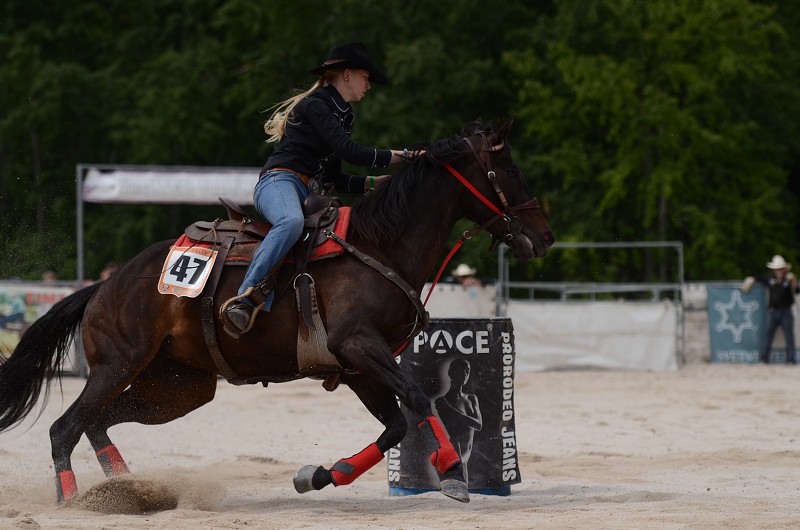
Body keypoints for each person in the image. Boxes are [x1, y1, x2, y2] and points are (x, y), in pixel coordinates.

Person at [222, 42, 417, 335]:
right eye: (367, 77)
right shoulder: (317, 104)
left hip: (307, 191)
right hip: (278, 182)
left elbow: (334, 175)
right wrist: (398, 156)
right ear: (347, 75)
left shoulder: (343, 114)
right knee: (291, 221)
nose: (369, 85)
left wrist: (371, 183)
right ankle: (246, 297)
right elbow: (349, 150)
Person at [432, 358, 482, 485]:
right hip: (455, 453)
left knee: (464, 488)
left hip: (466, 455)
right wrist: (449, 410)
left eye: (467, 370)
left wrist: (450, 410)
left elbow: (478, 424)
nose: (465, 374)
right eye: (460, 370)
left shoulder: (471, 398)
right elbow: (455, 421)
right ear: (451, 373)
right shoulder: (443, 401)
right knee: (458, 487)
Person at [742, 255, 799, 364]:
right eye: (776, 269)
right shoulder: (770, 279)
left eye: (780, 269)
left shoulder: (789, 279)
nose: (778, 271)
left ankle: (791, 359)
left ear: (784, 269)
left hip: (786, 311)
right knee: (768, 335)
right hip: (773, 311)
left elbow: (797, 291)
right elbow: (758, 278)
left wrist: (794, 281)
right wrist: (751, 279)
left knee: (789, 336)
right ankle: (763, 358)